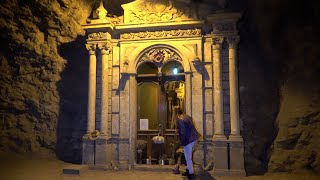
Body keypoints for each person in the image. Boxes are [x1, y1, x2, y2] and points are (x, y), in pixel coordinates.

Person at [176, 109, 201, 180]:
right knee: (188, 156)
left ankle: (191, 174)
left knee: (188, 158)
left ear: (177, 114)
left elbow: (182, 133)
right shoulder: (187, 117)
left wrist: (183, 144)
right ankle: (188, 171)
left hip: (188, 141)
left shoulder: (180, 120)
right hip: (195, 139)